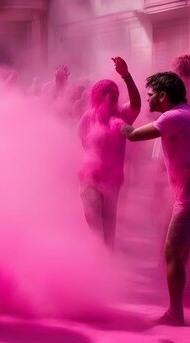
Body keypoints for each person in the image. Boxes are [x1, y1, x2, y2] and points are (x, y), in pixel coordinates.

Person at [121, 72, 190, 326]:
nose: (148, 100)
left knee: (172, 251)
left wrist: (116, 121)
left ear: (163, 96)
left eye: (151, 95)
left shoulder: (173, 116)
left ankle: (175, 313)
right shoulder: (188, 112)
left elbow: (132, 134)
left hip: (189, 198)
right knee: (181, 251)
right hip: (185, 194)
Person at [77, 57, 141, 248]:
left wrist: (126, 77)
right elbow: (85, 147)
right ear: (98, 95)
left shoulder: (122, 113)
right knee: (95, 228)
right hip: (90, 179)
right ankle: (96, 266)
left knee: (108, 229)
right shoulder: (87, 117)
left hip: (113, 181)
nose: (112, 95)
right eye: (107, 92)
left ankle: (108, 269)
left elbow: (137, 104)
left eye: (115, 92)